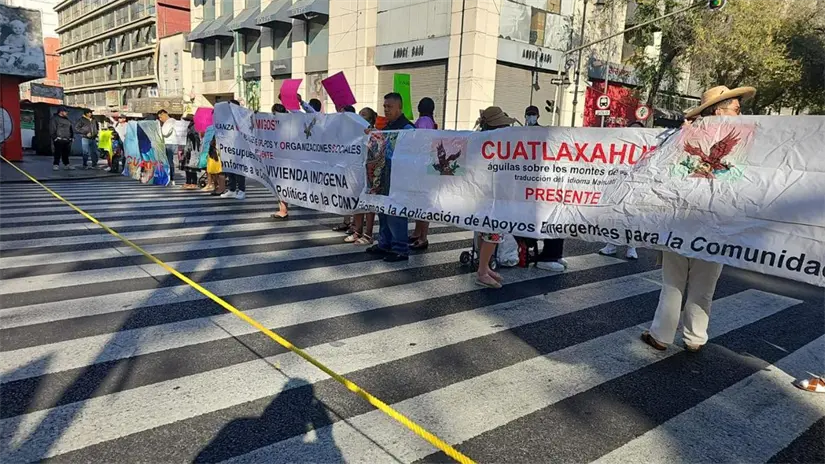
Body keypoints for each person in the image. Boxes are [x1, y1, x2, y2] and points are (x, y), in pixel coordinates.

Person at [641, 84, 756, 353]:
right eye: (737, 109)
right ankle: (694, 337)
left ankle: (662, 334)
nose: (741, 114)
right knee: (703, 282)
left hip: (684, 217)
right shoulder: (743, 139)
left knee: (674, 280)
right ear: (720, 110)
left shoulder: (682, 135)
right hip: (713, 219)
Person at [365, 93, 415, 262]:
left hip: (398, 179)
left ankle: (400, 248)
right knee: (384, 212)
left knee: (396, 214)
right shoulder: (388, 125)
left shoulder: (408, 128)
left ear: (400, 108)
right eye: (384, 106)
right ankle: (384, 244)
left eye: (390, 107)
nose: (386, 109)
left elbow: (407, 154)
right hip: (384, 175)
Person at [473, 107, 516, 288]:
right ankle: (483, 271)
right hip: (492, 195)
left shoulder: (482, 141)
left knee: (487, 232)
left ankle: (484, 267)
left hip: (486, 194)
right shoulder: (494, 143)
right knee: (493, 232)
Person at [524, 105, 569, 272]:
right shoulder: (518, 134)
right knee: (551, 220)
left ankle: (553, 254)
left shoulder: (542, 132)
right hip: (528, 188)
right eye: (529, 114)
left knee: (557, 220)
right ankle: (548, 256)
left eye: (533, 114)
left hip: (541, 185)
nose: (531, 117)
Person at [599, 119, 641, 260]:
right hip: (619, 184)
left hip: (636, 185)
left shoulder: (645, 147)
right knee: (614, 215)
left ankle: (631, 247)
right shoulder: (620, 144)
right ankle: (611, 245)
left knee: (632, 217)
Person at [408, 97, 439, 251]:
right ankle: (417, 233)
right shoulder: (431, 121)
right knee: (420, 201)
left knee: (422, 202)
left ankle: (422, 237)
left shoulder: (423, 121)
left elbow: (419, 140)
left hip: (421, 166)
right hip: (426, 165)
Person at [345, 107, 379, 244]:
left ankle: (368, 234)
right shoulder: (354, 134)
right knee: (357, 202)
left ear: (370, 120)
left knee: (369, 205)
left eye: (363, 115)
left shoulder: (376, 133)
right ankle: (357, 231)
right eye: (359, 114)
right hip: (356, 173)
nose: (360, 116)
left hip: (370, 173)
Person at [221, 100, 246, 200]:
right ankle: (231, 189)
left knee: (239, 169)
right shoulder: (226, 118)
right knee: (229, 168)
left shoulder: (242, 118)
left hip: (239, 146)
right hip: (228, 146)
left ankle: (241, 190)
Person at [271, 103, 291, 219]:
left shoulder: (282, 124)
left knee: (282, 184)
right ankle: (282, 208)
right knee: (279, 184)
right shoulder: (289, 122)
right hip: (281, 158)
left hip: (282, 159)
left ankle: (283, 209)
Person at [157, 109, 179, 185]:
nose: (160, 119)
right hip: (167, 143)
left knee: (169, 161)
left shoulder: (171, 121)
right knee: (166, 161)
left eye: (160, 117)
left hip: (169, 143)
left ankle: (171, 178)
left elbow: (165, 132)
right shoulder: (167, 122)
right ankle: (168, 177)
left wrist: (160, 129)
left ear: (164, 114)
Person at [181, 116, 201, 189]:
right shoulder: (188, 127)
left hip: (193, 149)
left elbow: (196, 138)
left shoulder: (194, 126)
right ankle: (188, 181)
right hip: (187, 148)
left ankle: (194, 182)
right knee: (186, 166)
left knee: (192, 166)